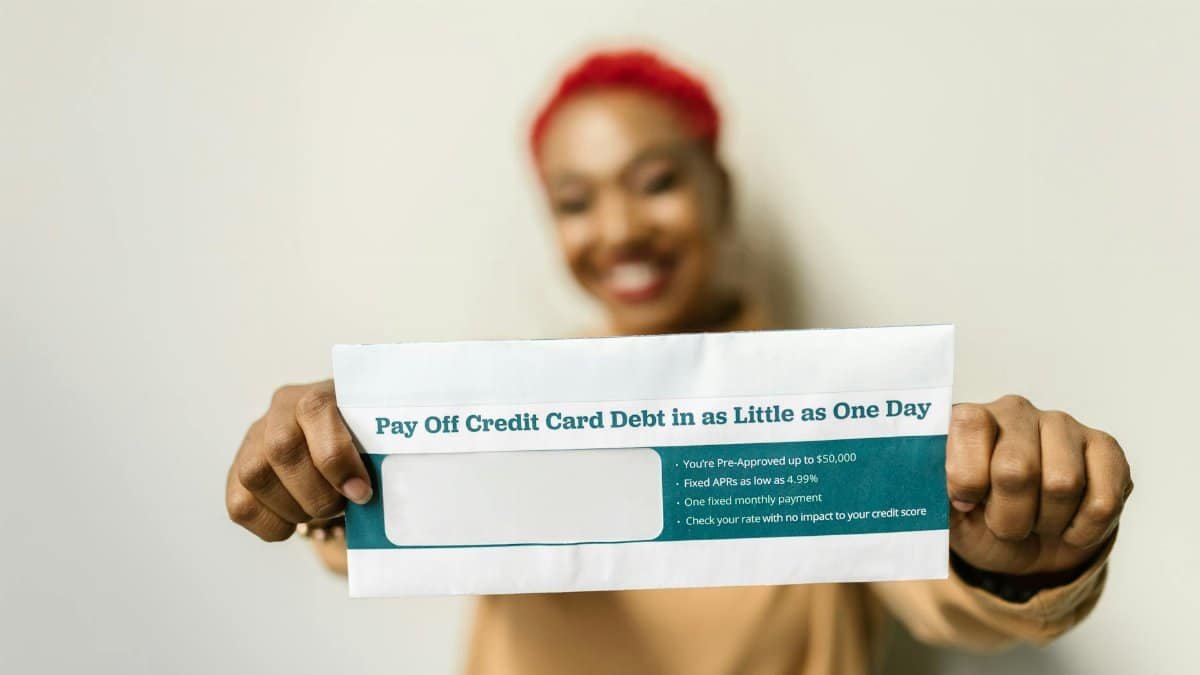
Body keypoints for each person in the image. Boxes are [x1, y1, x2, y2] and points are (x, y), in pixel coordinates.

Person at [225, 49, 1132, 675]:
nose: (619, 228)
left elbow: (945, 597)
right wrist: (327, 461)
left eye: (656, 181)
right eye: (576, 200)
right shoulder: (500, 411)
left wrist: (1022, 562)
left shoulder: (840, 409)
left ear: (718, 188)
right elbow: (375, 532)